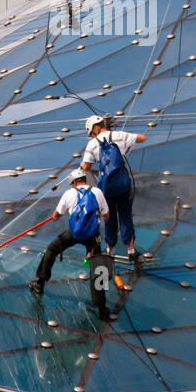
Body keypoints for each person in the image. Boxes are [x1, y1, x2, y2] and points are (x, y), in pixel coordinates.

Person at [29, 169, 113, 321]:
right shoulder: (97, 192)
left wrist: (56, 215)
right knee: (99, 268)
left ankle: (39, 283)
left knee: (52, 249)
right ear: (84, 179)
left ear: (74, 182)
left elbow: (56, 215)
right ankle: (102, 309)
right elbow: (107, 215)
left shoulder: (69, 194)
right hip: (93, 236)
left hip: (74, 233)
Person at [79, 115, 146, 266]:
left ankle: (109, 251)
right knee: (126, 216)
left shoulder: (92, 144)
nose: (91, 135)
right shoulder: (119, 136)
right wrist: (125, 145)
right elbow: (142, 138)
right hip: (122, 184)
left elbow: (86, 167)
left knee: (109, 217)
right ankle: (131, 251)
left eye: (91, 132)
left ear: (96, 128)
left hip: (106, 188)